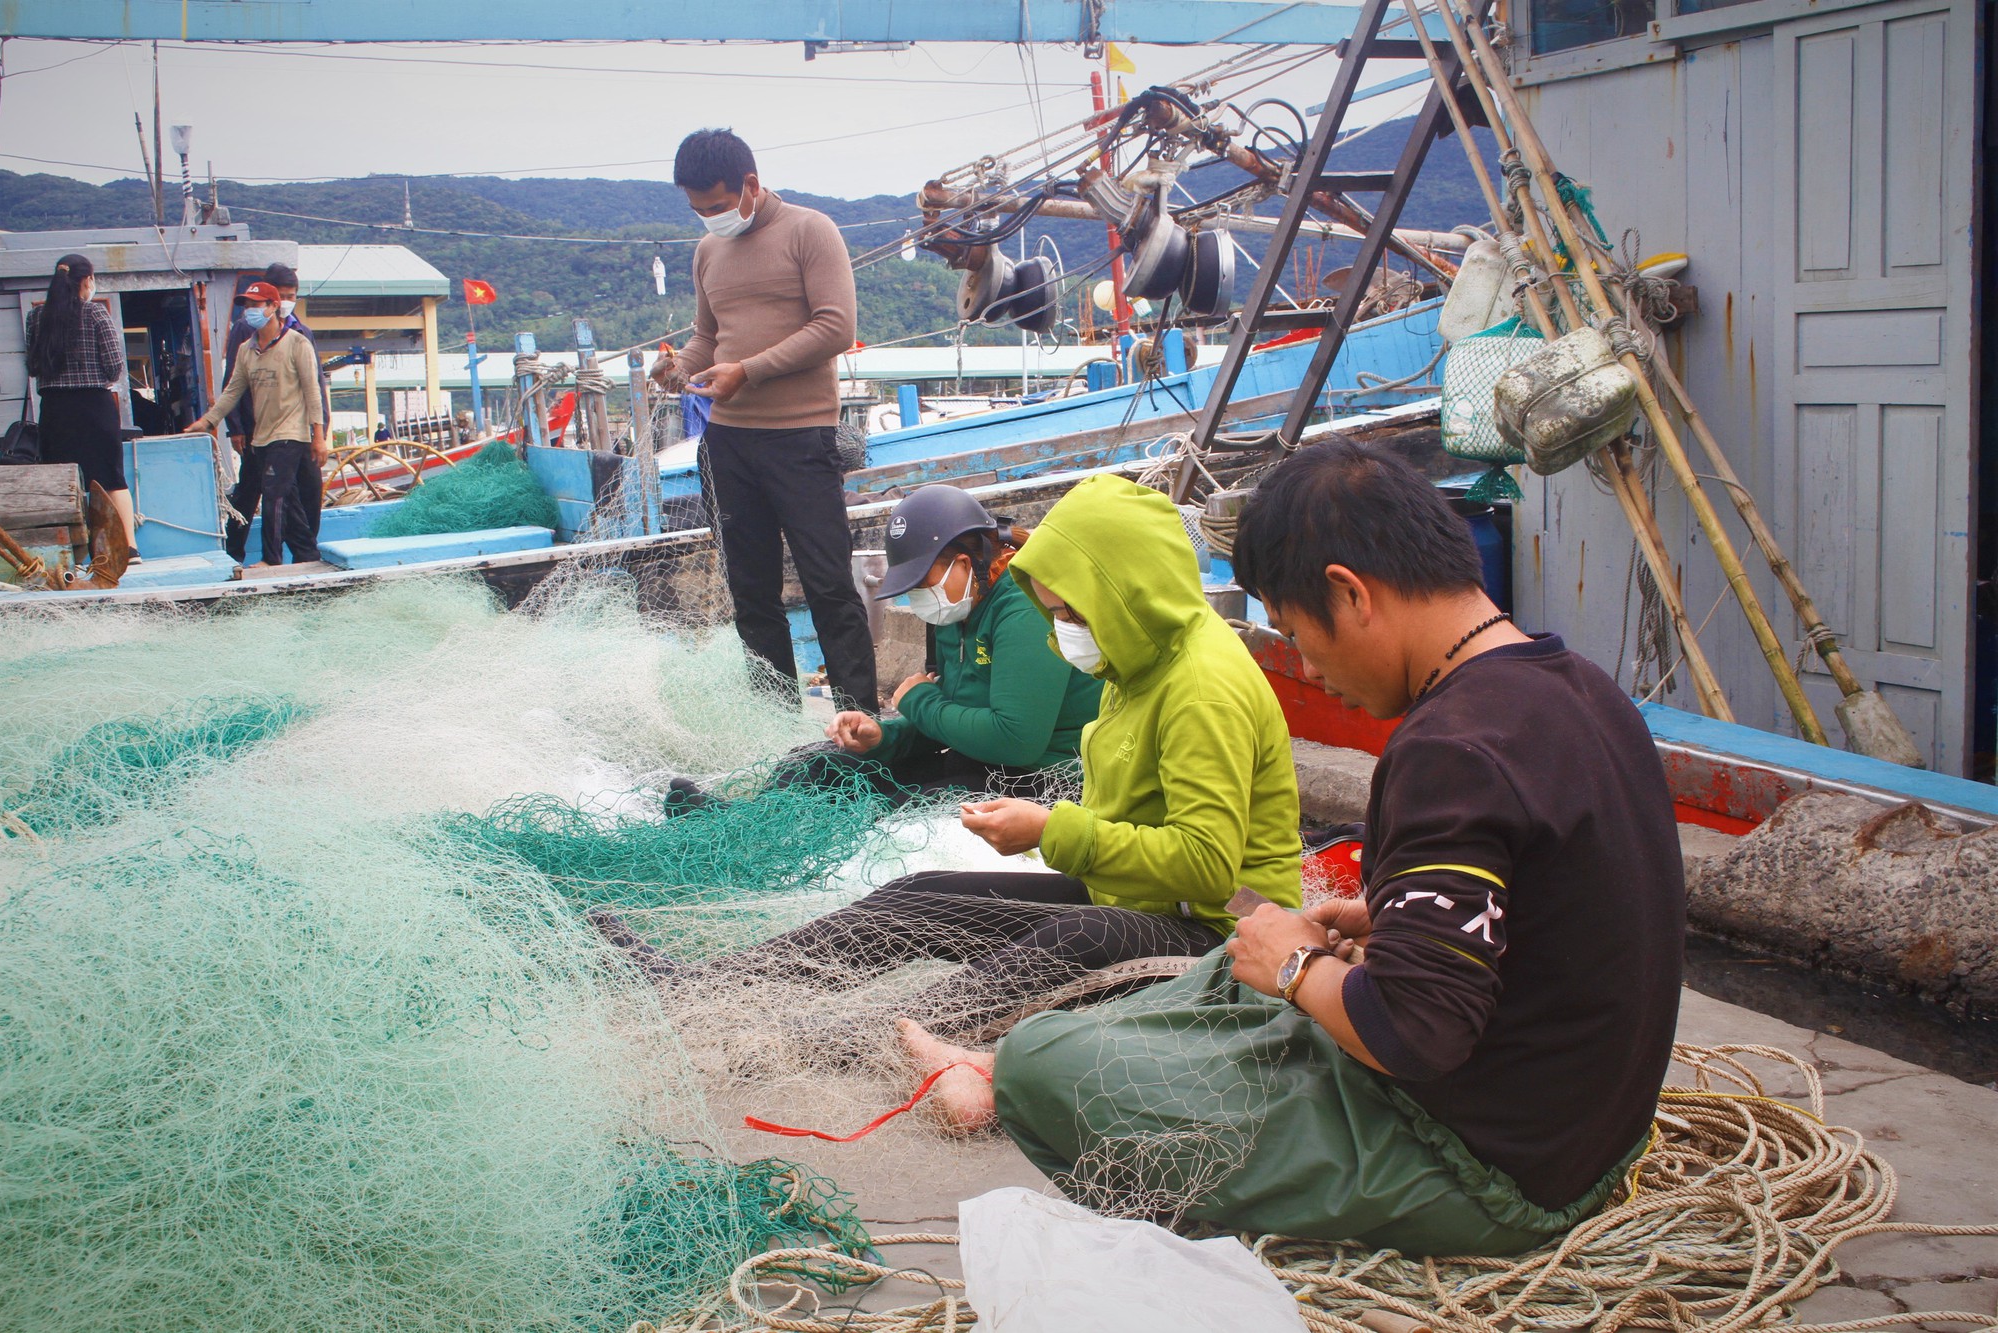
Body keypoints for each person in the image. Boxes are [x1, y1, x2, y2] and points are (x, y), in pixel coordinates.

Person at [905, 439, 1685, 1258]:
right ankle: (996, 1066)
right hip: (1587, 1138)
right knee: (1236, 959)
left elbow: (1419, 1035)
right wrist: (1388, 923)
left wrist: (1298, 970)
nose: (1309, 669)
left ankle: (1004, 1075)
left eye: (1297, 631)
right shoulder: (1582, 689)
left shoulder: (1450, 751)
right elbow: (1559, 913)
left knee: (1042, 1067)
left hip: (1485, 1171)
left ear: (1349, 594)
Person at [596, 473, 1302, 1047]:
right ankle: (708, 984)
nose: (1064, 631)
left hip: (1219, 927)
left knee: (1076, 935)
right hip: (1133, 890)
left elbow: (1208, 863)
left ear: (1123, 592)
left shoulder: (1202, 682)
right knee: (922, 895)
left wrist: (1052, 830)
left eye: (1074, 614)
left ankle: (843, 1039)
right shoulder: (1134, 655)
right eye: (1056, 612)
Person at [677, 485, 1102, 810]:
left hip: (1038, 779)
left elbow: (1015, 740)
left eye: (922, 581)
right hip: (979, 760)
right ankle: (742, 821)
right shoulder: (955, 609)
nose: (918, 596)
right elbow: (949, 713)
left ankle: (768, 850)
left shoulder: (1023, 607)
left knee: (903, 807)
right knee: (823, 764)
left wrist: (917, 701)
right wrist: (884, 736)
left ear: (965, 561)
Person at [652, 128, 876, 712]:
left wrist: (746, 371)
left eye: (719, 206)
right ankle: (773, 721)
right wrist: (677, 368)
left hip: (801, 437)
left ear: (751, 184)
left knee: (828, 585)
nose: (711, 219)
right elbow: (708, 338)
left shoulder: (810, 231)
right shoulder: (708, 251)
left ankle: (861, 722)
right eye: (699, 211)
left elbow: (835, 327)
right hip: (728, 442)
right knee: (750, 591)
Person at [191, 282, 326, 569]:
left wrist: (319, 436)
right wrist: (208, 421)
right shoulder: (246, 350)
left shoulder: (297, 343)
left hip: (291, 433)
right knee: (287, 498)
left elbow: (313, 391)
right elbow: (233, 391)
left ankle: (271, 558)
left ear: (274, 307)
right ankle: (307, 553)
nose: (251, 311)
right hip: (262, 435)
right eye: (248, 305)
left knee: (274, 495)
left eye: (257, 304)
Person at [25, 253, 138, 550]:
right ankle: (129, 548)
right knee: (112, 479)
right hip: (94, 408)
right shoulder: (96, 314)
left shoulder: (36, 317)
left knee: (62, 481)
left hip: (55, 410)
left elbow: (34, 365)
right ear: (87, 280)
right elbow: (115, 366)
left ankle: (69, 549)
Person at [222, 262, 330, 562]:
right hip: (259, 430)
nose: (285, 302)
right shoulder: (246, 330)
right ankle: (234, 554)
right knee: (250, 492)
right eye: (280, 295)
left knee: (306, 491)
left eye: (291, 295)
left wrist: (319, 431)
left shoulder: (302, 333)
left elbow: (315, 385)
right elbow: (234, 382)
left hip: (299, 430)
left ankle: (305, 553)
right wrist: (237, 428)